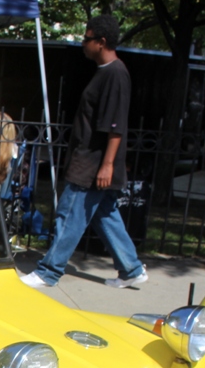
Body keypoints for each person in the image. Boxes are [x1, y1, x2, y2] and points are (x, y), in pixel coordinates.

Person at [22, 15, 147, 289]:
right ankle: (131, 269)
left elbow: (116, 127)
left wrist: (107, 165)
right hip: (90, 159)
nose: (83, 43)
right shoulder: (107, 72)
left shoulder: (115, 74)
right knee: (105, 214)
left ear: (101, 42)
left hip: (92, 163)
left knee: (69, 215)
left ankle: (48, 272)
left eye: (86, 38)